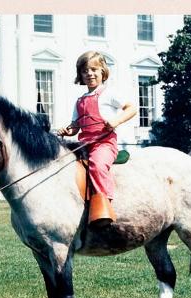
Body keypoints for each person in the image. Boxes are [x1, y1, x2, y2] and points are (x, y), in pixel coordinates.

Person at [57, 50, 137, 227]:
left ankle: (104, 205)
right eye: (85, 70)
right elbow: (75, 127)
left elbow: (131, 108)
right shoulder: (80, 100)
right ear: (80, 74)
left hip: (104, 143)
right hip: (83, 144)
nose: (90, 74)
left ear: (103, 71)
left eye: (94, 69)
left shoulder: (109, 94)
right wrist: (66, 130)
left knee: (97, 165)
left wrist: (116, 120)